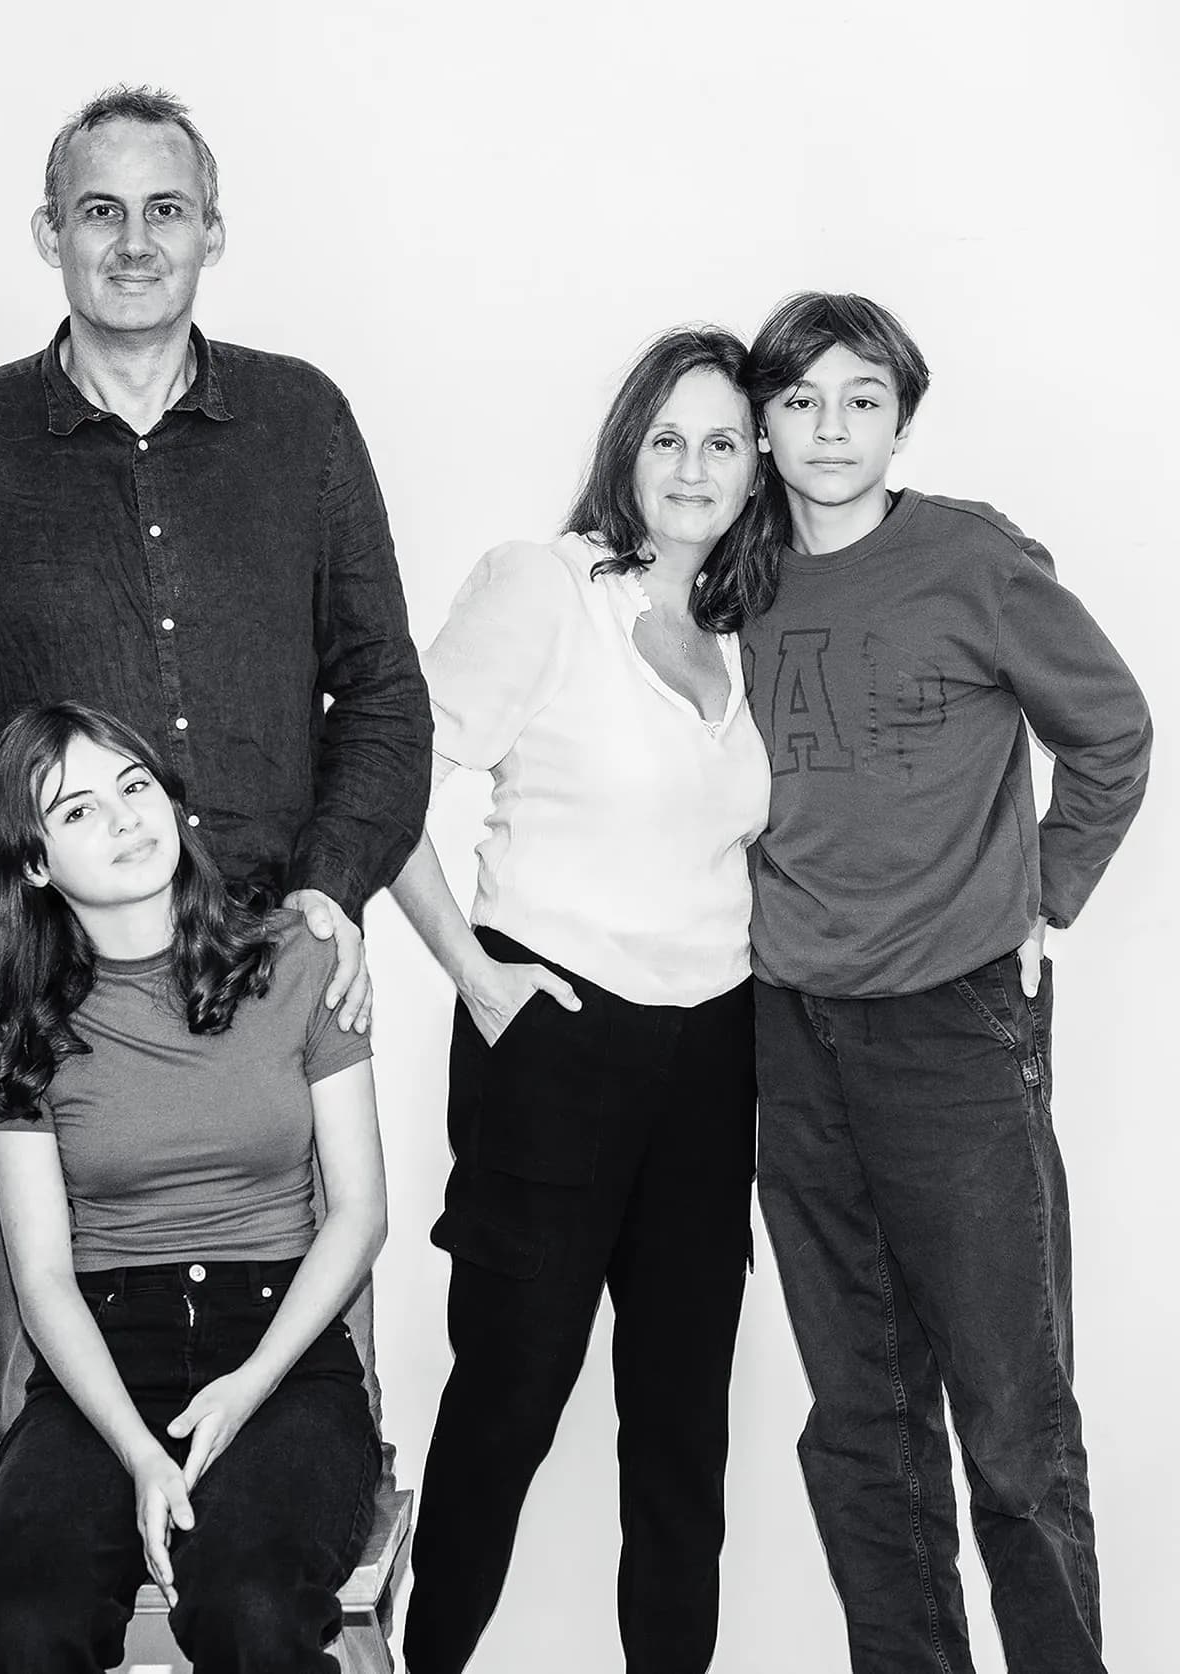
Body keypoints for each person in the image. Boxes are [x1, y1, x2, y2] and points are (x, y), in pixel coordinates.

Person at [0, 85, 430, 1481]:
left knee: (301, 1459)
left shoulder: (304, 424)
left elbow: (385, 694)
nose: (134, 239)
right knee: (50, 1451)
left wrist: (333, 894)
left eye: (166, 209)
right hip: (60, 1025)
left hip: (273, 998)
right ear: (50, 233)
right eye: (100, 210)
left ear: (214, 232)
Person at [742, 292, 1152, 1673]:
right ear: (764, 425)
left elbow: (1112, 728)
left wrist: (1049, 888)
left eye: (863, 399)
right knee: (861, 1420)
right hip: (789, 1034)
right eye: (801, 401)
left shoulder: (970, 560)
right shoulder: (735, 581)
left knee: (1012, 1419)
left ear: (902, 419)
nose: (832, 427)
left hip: (956, 1027)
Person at [391, 328, 778, 1674]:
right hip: (556, 1043)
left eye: (722, 440)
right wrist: (471, 968)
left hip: (713, 1058)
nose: (691, 464)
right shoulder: (545, 589)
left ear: (756, 468)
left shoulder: (747, 629)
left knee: (682, 1434)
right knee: (507, 1403)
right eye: (666, 435)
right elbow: (385, 777)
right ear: (625, 446)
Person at [0, 701, 384, 1674]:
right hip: (101, 1361)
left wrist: (246, 1386)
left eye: (134, 787)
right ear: (33, 863)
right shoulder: (9, 1021)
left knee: (251, 1609)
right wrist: (139, 1453)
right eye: (78, 811)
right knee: (16, 1624)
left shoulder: (301, 960)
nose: (126, 818)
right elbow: (42, 1276)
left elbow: (358, 1213)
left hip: (280, 1355)